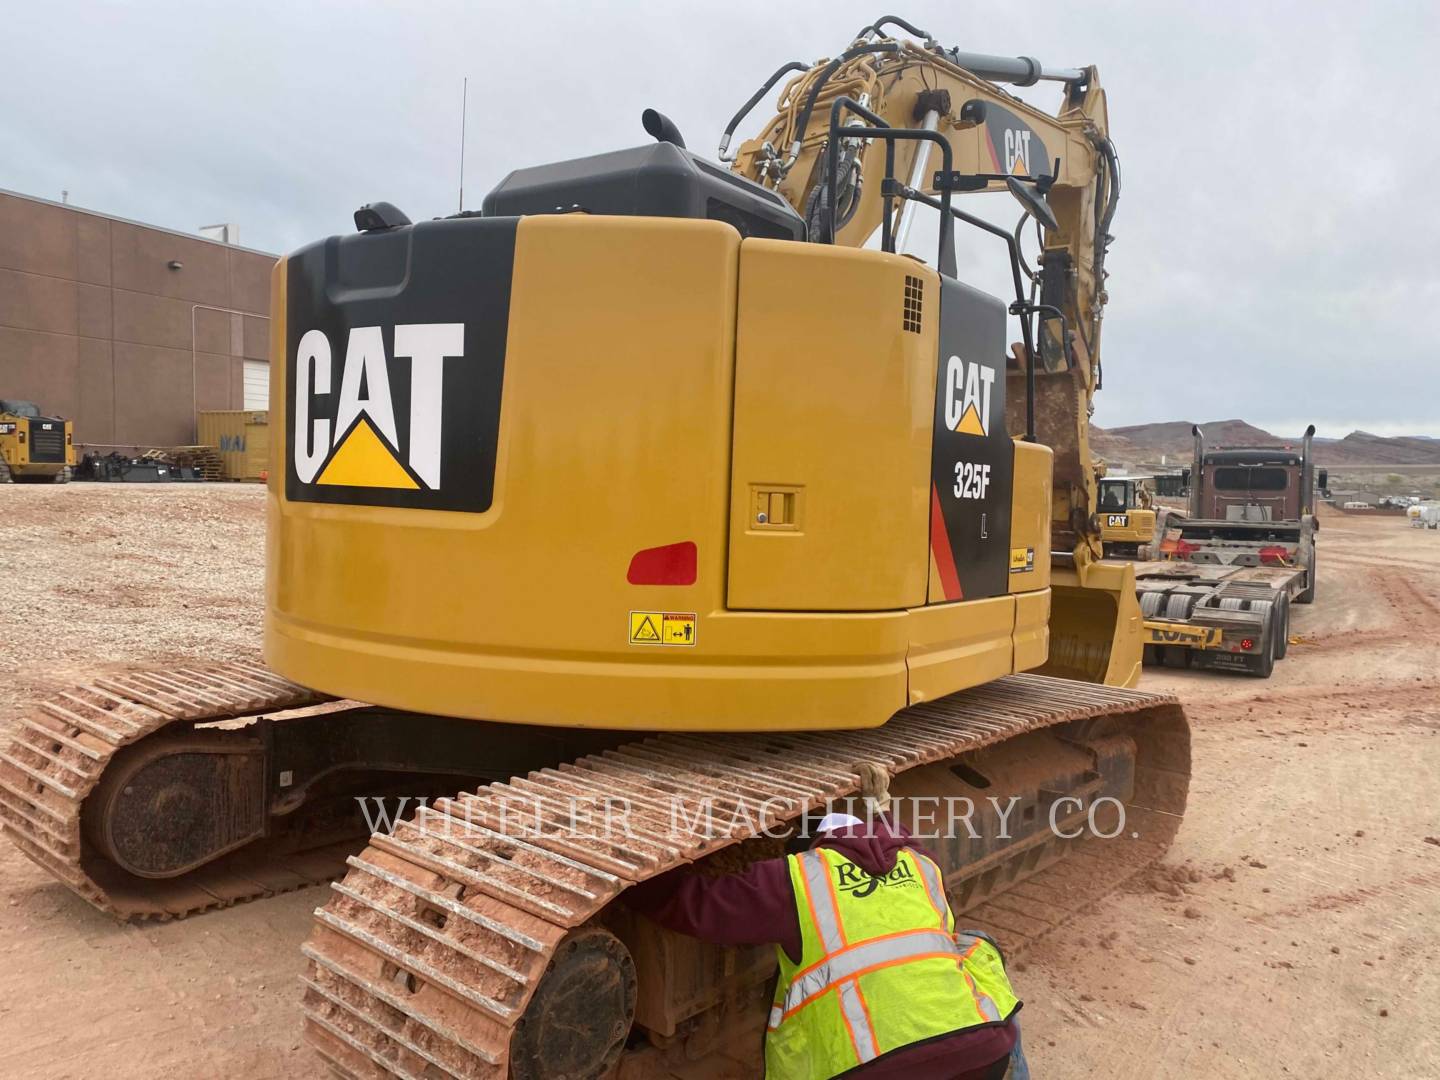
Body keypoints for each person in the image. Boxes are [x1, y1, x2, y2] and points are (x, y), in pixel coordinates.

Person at [626, 765, 1024, 1079]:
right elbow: (898, 838)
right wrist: (879, 808)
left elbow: (691, 904)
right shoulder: (920, 862)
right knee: (974, 941)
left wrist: (633, 866)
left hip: (874, 1069)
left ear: (813, 848)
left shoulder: (795, 879)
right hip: (980, 1050)